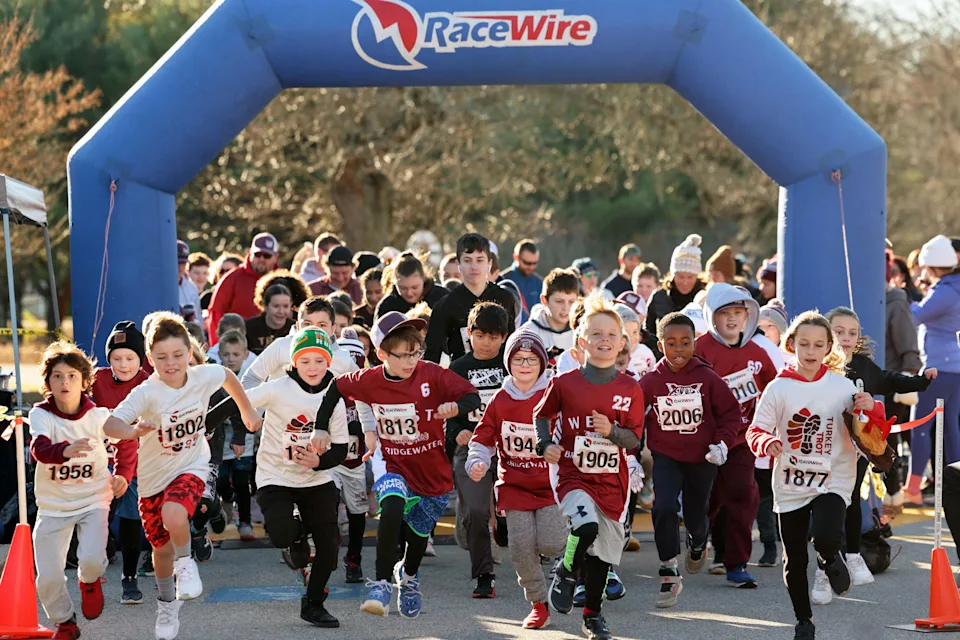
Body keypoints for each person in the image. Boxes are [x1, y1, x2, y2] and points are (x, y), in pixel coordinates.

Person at [313, 311, 480, 619]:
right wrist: (321, 427)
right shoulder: (370, 380)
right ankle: (379, 583)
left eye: (415, 353)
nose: (410, 361)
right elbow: (336, 388)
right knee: (390, 509)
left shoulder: (432, 374)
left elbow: (471, 395)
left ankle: (409, 577)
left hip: (432, 474)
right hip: (394, 464)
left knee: (417, 540)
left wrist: (455, 406)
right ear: (381, 354)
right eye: (402, 355)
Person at [103, 313, 260, 640]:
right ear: (150, 359)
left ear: (190, 352)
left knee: (175, 512)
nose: (171, 363)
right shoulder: (147, 393)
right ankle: (167, 606)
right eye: (161, 358)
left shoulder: (203, 376)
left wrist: (246, 410)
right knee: (160, 551)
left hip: (191, 465)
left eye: (177, 355)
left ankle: (186, 565)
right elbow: (110, 425)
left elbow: (228, 377)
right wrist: (131, 431)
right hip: (152, 479)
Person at [747, 311, 877, 640]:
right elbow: (755, 431)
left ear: (828, 348)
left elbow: (870, 430)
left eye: (819, 344)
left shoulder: (842, 386)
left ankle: (830, 556)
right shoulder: (779, 388)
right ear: (790, 344)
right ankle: (804, 621)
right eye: (803, 343)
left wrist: (869, 406)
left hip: (834, 475)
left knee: (827, 534)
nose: (810, 350)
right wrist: (769, 442)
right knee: (794, 557)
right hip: (791, 480)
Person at [208, 328, 349, 628]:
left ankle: (313, 604)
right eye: (305, 360)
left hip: (317, 478)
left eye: (319, 361)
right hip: (276, 475)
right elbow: (237, 401)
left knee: (329, 547)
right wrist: (203, 425)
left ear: (328, 363)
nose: (313, 368)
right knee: (282, 534)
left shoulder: (334, 394)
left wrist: (319, 460)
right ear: (294, 361)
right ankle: (297, 538)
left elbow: (340, 448)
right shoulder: (278, 388)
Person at [537, 297, 644, 640]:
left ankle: (592, 616)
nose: (605, 339)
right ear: (582, 342)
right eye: (596, 333)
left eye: (612, 333)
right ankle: (567, 570)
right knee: (584, 528)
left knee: (602, 557)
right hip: (573, 475)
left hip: (613, 481)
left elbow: (634, 440)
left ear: (622, 342)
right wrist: (545, 444)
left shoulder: (630, 388)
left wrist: (610, 431)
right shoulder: (565, 382)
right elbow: (541, 415)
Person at [826, 306, 934, 589]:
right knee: (827, 502)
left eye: (852, 333)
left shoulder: (862, 365)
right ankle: (828, 557)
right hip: (823, 446)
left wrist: (921, 381)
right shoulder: (820, 365)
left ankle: (852, 555)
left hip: (856, 447)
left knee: (849, 500)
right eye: (838, 332)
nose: (845, 338)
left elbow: (889, 379)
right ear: (826, 333)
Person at [466, 330, 565, 629]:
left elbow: (571, 431)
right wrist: (478, 460)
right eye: (518, 359)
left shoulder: (554, 395)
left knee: (551, 544)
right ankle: (538, 602)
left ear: (543, 363)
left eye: (532, 359)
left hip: (550, 486)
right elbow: (482, 437)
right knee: (521, 547)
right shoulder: (500, 399)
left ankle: (571, 564)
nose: (525, 364)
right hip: (514, 486)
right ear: (509, 363)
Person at [641, 312, 741, 608]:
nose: (679, 349)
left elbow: (730, 414)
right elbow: (633, 418)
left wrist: (722, 444)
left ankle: (698, 542)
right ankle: (669, 571)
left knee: (697, 516)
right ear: (660, 346)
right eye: (671, 343)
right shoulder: (650, 382)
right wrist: (632, 455)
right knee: (663, 506)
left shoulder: (708, 378)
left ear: (695, 343)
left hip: (702, 457)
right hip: (666, 456)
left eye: (685, 342)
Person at [30, 341, 122, 640]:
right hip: (53, 505)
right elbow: (39, 449)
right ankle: (65, 622)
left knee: (92, 559)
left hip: (93, 499)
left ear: (85, 382)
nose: (64, 382)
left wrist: (125, 468)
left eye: (71, 375)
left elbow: (124, 437)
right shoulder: (41, 415)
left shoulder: (97, 416)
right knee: (48, 577)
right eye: (57, 376)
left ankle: (89, 581)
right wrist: (67, 449)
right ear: (48, 382)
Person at [695, 282, 777, 587]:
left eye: (738, 313)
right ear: (712, 316)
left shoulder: (758, 353)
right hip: (703, 440)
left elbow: (775, 390)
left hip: (742, 440)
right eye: (724, 312)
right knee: (708, 500)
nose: (732, 319)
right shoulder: (700, 348)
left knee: (743, 495)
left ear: (748, 316)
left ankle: (736, 563)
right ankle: (699, 539)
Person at [448, 302, 510, 599]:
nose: (487, 343)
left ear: (504, 337)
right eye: (481, 335)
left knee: (512, 514)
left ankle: (505, 526)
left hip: (512, 448)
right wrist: (457, 430)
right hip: (471, 448)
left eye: (494, 336)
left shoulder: (512, 365)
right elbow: (446, 413)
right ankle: (484, 574)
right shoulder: (458, 368)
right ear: (469, 334)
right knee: (475, 511)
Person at [91, 321, 150, 606]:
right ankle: (102, 554)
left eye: (130, 358)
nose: (123, 364)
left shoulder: (150, 383)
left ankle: (129, 577)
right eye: (116, 358)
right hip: (102, 463)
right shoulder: (96, 380)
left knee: (131, 518)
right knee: (100, 516)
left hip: (139, 464)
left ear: (141, 359)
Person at [908, 234, 960, 503]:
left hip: (936, 366)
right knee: (950, 427)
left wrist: (903, 300)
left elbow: (915, 316)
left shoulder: (944, 291)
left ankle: (913, 488)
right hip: (955, 366)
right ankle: (956, 482)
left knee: (920, 425)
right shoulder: (954, 287)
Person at [425, 233, 517, 363]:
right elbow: (432, 355)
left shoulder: (505, 298)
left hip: (501, 378)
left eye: (480, 260)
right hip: (460, 378)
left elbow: (512, 345)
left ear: (489, 264)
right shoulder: (445, 305)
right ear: (459, 264)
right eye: (467, 260)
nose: (474, 267)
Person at [241, 296, 358, 388]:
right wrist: (255, 412)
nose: (314, 329)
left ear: (332, 329)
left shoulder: (343, 358)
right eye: (307, 324)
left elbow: (362, 389)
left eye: (322, 325)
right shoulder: (281, 346)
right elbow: (251, 378)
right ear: (297, 326)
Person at [208, 232, 280, 345]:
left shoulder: (283, 280)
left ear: (276, 256)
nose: (261, 259)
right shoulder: (232, 278)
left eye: (266, 255)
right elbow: (216, 314)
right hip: (239, 348)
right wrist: (218, 348)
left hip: (274, 345)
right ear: (250, 253)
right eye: (257, 254)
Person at [646, 235, 707, 338]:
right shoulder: (659, 297)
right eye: (680, 276)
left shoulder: (706, 299)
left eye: (690, 277)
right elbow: (648, 331)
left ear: (697, 276)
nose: (685, 282)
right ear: (673, 275)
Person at [521, 268, 579, 364]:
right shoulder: (528, 333)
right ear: (544, 300)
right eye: (559, 301)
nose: (566, 308)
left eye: (571, 302)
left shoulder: (583, 332)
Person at [375, 253, 448, 319]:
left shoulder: (442, 298)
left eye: (415, 287)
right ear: (394, 282)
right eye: (403, 288)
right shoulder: (386, 306)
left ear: (424, 279)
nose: (409, 293)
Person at [244, 283, 295, 355]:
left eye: (286, 306)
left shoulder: (295, 329)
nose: (281, 311)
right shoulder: (248, 327)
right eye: (276, 306)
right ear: (265, 306)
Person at [501, 239, 543, 313]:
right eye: (527, 263)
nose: (531, 267)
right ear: (516, 257)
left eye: (535, 263)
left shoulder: (539, 282)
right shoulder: (503, 279)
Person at [177, 240, 201, 323]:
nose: (180, 267)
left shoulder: (191, 287)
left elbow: (198, 316)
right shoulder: (162, 286)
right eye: (177, 263)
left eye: (183, 263)